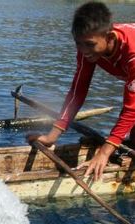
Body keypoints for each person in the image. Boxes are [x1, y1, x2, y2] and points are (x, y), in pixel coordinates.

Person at [28, 1, 135, 181]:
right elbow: (78, 91)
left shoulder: (132, 53)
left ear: (109, 37)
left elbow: (131, 108)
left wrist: (104, 152)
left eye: (89, 45)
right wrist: (52, 136)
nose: (83, 51)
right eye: (78, 44)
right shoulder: (88, 47)